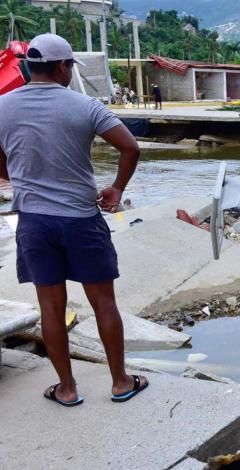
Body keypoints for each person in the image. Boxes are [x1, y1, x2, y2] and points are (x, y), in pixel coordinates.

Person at [0, 34, 146, 407]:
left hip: (33, 221)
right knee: (103, 304)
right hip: (81, 219)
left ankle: (66, 388)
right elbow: (130, 147)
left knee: (51, 308)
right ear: (64, 66)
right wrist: (115, 188)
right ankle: (120, 382)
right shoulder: (84, 106)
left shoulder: (3, 106)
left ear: (29, 66)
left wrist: (15, 177)